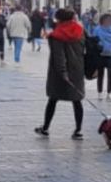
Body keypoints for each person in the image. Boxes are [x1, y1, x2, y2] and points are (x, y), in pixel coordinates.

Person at [32, 8, 88, 138]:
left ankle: (45, 127)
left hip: (60, 73)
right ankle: (78, 130)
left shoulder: (57, 35)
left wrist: (63, 73)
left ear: (59, 20)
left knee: (53, 99)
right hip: (78, 69)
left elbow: (59, 56)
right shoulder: (80, 31)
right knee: (77, 100)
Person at [92, 12, 111, 100]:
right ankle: (99, 93)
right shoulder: (97, 30)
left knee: (110, 74)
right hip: (100, 55)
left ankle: (109, 93)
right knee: (100, 74)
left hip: (110, 56)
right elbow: (93, 42)